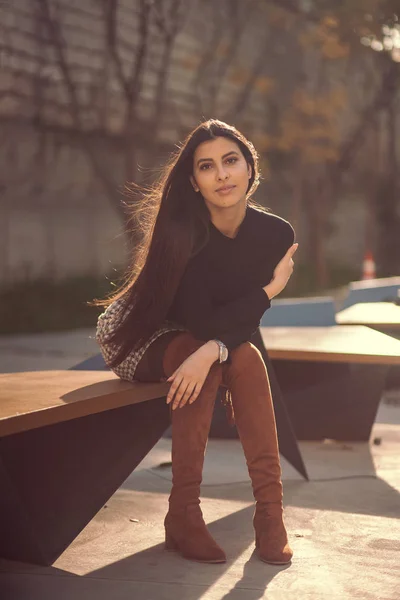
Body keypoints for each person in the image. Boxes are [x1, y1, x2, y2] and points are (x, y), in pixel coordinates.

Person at [94, 119, 298, 565]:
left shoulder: (276, 234)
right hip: (137, 334)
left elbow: (225, 327)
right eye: (207, 167)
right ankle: (183, 513)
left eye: (230, 161)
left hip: (205, 338)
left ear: (250, 169)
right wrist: (267, 293)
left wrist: (214, 347)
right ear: (194, 181)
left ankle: (270, 516)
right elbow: (207, 321)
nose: (221, 174)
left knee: (246, 361)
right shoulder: (184, 233)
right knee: (199, 352)